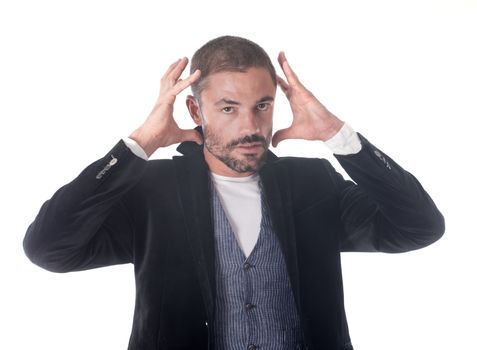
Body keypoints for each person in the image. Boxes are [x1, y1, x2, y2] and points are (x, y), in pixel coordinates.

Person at [23, 36, 445, 350]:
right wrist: (139, 146)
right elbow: (49, 249)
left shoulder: (314, 183)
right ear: (194, 110)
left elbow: (419, 227)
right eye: (228, 108)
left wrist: (337, 134)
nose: (250, 125)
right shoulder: (150, 191)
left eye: (262, 105)